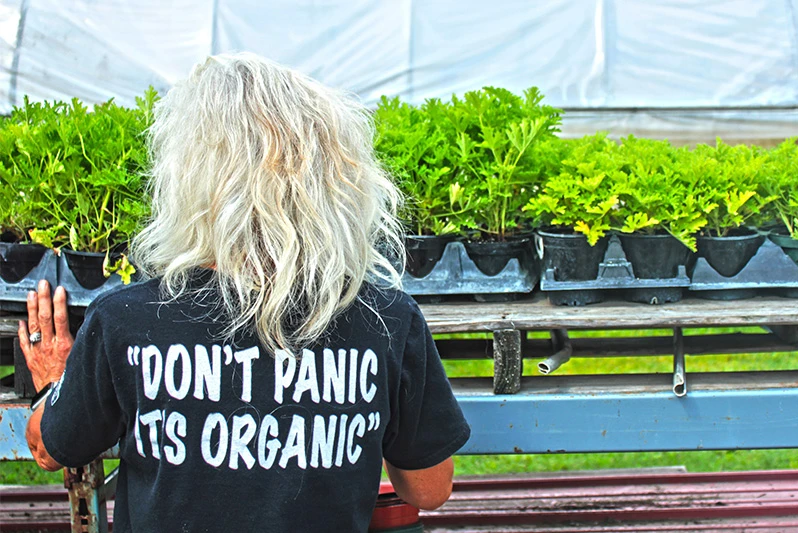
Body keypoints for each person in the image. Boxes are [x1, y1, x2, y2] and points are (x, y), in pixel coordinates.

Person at [19, 53, 470, 532]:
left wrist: (53, 382)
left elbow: (51, 448)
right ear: (334, 178)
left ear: (191, 176)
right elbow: (429, 490)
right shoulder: (387, 319)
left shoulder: (125, 320)